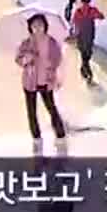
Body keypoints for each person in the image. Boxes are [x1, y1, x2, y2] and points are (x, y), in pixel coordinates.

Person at [16, 13, 68, 145]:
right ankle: (36, 136)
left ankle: (60, 133)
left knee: (51, 108)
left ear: (45, 26)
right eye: (34, 26)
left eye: (40, 25)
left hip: (46, 80)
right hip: (30, 81)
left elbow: (58, 59)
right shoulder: (27, 43)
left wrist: (52, 70)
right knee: (31, 111)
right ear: (30, 28)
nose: (38, 28)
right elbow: (19, 59)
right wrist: (27, 59)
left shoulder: (51, 43)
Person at [69, 0, 102, 85]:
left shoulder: (78, 11)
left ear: (82, 0)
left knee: (84, 56)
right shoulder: (92, 10)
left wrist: (73, 34)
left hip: (80, 38)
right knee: (87, 57)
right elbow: (101, 16)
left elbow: (74, 23)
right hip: (89, 38)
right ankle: (88, 74)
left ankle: (85, 71)